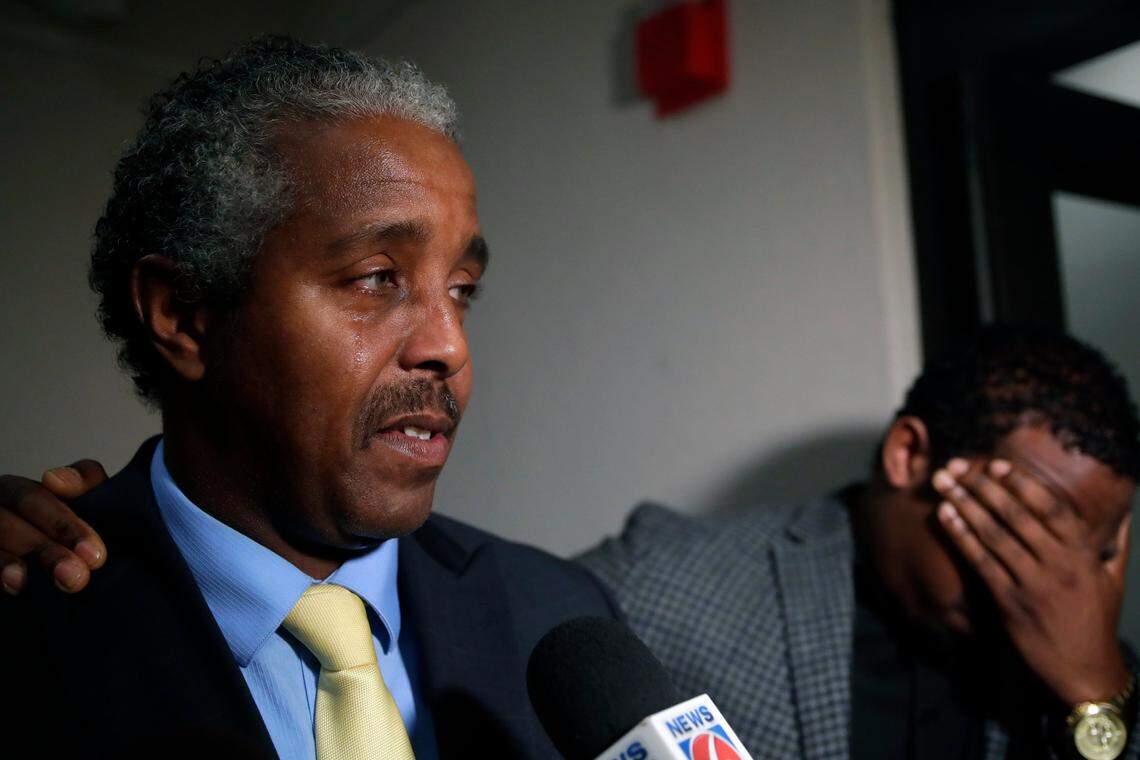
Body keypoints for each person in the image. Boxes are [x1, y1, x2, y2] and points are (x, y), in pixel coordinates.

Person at [0, 36, 620, 759]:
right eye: (376, 278)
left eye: (462, 290)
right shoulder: (33, 606)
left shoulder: (556, 610)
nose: (449, 346)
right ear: (184, 314)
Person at [580, 326, 1140, 760]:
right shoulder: (670, 580)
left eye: (1085, 562)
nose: (1049, 587)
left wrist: (1095, 692)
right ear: (908, 455)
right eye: (1025, 530)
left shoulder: (1097, 671)